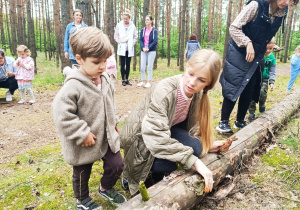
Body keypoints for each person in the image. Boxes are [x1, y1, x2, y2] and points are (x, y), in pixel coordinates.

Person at [120, 49, 225, 196]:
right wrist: (194, 162)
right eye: (191, 74)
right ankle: (130, 172)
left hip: (166, 131)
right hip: (141, 141)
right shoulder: (165, 92)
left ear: (208, 84)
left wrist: (205, 145)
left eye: (201, 80)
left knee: (196, 148)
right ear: (187, 67)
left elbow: (189, 128)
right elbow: (155, 139)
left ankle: (158, 173)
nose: (192, 83)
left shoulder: (198, 94)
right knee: (192, 155)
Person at [52, 27, 126, 210]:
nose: (102, 66)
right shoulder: (74, 86)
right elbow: (61, 113)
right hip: (84, 140)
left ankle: (105, 187)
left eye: (105, 61)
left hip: (106, 135)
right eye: (96, 62)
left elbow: (110, 102)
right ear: (79, 59)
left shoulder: (105, 78)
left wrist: (114, 121)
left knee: (117, 164)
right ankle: (82, 199)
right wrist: (81, 133)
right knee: (82, 172)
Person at [216, 0, 298, 133]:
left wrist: (270, 46)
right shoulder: (256, 5)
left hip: (257, 53)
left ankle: (240, 121)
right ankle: (223, 123)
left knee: (251, 86)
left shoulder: (282, 12)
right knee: (235, 83)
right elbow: (234, 27)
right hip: (239, 50)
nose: (287, 2)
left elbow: (266, 33)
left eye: (292, 0)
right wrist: (247, 43)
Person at [248, 38, 277, 121]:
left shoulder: (272, 58)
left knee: (262, 93)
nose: (268, 50)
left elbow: (272, 71)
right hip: (255, 79)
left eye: (270, 49)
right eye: (266, 48)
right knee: (252, 95)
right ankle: (251, 112)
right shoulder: (257, 55)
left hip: (264, 79)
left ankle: (262, 104)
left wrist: (272, 82)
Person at [114, 9, 137, 86]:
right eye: (124, 18)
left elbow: (135, 36)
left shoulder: (132, 26)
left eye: (126, 19)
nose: (125, 20)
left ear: (129, 18)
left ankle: (127, 79)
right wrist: (119, 42)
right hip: (122, 47)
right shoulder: (119, 25)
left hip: (129, 48)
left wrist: (132, 43)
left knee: (128, 64)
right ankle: (123, 80)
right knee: (122, 64)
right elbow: (116, 36)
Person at [137, 15, 158, 88]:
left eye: (148, 20)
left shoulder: (154, 30)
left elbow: (155, 41)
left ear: (151, 21)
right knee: (142, 67)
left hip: (151, 50)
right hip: (143, 50)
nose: (146, 21)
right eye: (146, 20)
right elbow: (140, 40)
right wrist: (143, 47)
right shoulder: (142, 30)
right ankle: (143, 81)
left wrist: (148, 48)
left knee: (149, 66)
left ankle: (149, 82)